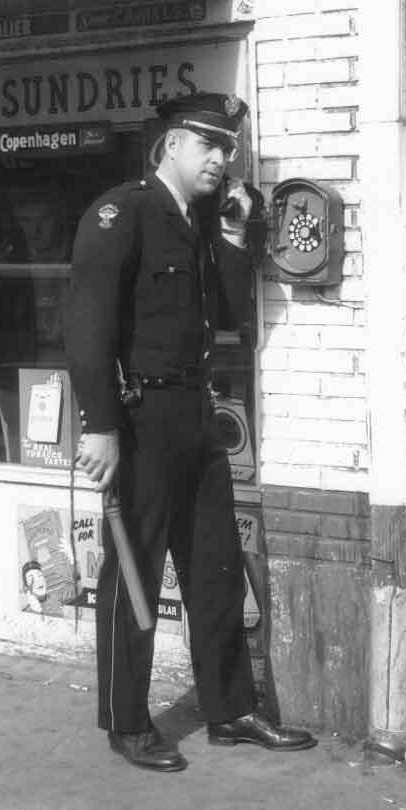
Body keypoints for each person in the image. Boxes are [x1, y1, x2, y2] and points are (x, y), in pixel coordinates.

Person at [65, 91, 316, 773]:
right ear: (170, 144)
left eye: (226, 148)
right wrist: (100, 426)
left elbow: (231, 312)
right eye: (207, 144)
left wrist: (234, 236)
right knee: (133, 574)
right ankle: (126, 720)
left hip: (196, 418)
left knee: (215, 569)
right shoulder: (123, 214)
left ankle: (230, 708)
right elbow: (88, 329)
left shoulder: (197, 222)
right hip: (139, 421)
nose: (219, 159)